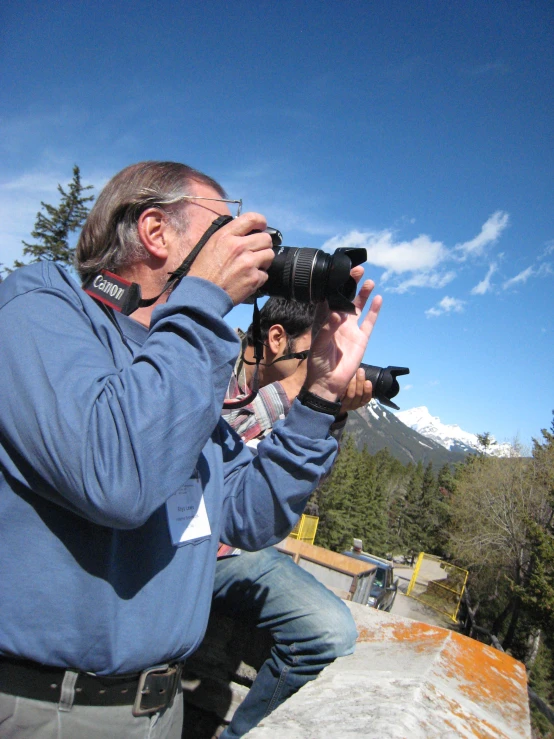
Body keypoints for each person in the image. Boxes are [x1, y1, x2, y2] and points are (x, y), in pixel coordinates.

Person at [0, 160, 381, 738]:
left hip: (158, 707)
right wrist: (204, 302)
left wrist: (321, 400)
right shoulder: (43, 307)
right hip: (53, 710)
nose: (250, 250)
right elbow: (117, 479)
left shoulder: (180, 356)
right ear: (155, 232)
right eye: (228, 229)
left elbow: (248, 516)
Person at [212, 298, 374, 739]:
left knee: (330, 631)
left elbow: (297, 492)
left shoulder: (301, 401)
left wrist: (329, 414)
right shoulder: (214, 362)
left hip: (237, 553)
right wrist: (299, 395)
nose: (327, 358)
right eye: (320, 346)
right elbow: (219, 436)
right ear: (276, 339)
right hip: (187, 545)